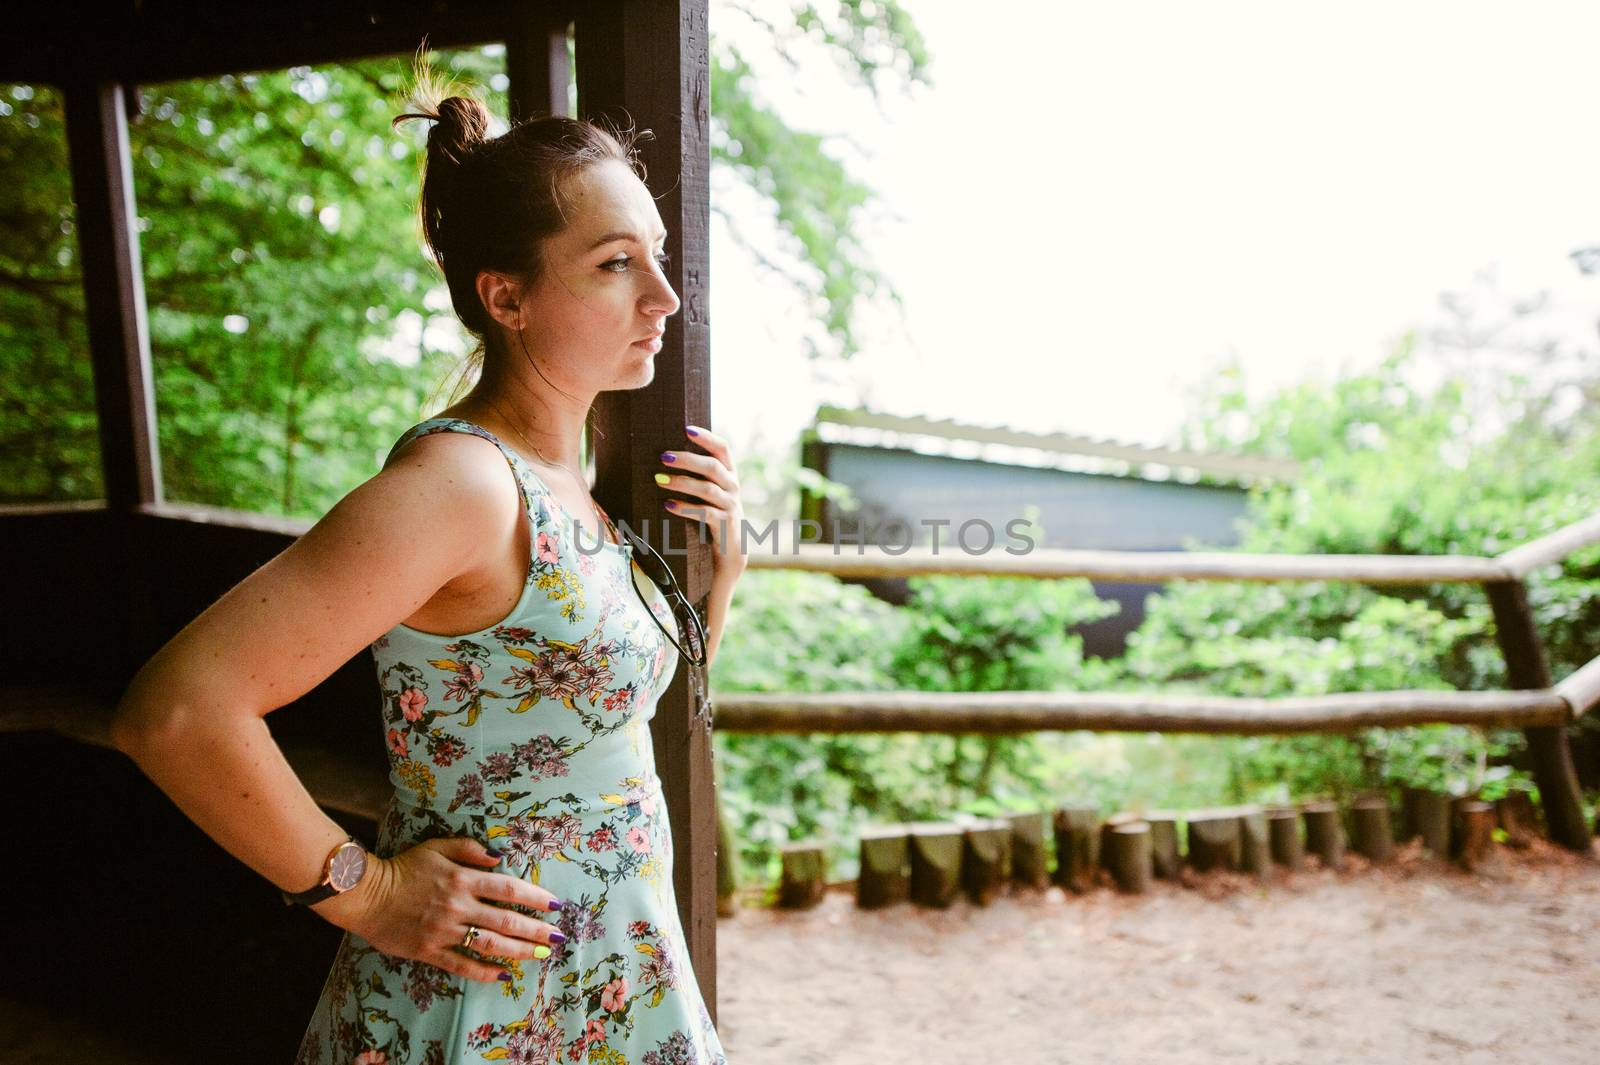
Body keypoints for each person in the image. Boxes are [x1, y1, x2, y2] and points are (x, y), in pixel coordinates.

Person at [110, 66, 744, 1065]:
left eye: (657, 256)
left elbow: (602, 722)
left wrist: (717, 579)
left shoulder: (577, 483)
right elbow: (178, 711)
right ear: (508, 297)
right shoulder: (465, 484)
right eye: (616, 263)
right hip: (484, 1008)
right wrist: (369, 894)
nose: (665, 296)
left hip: (614, 981)